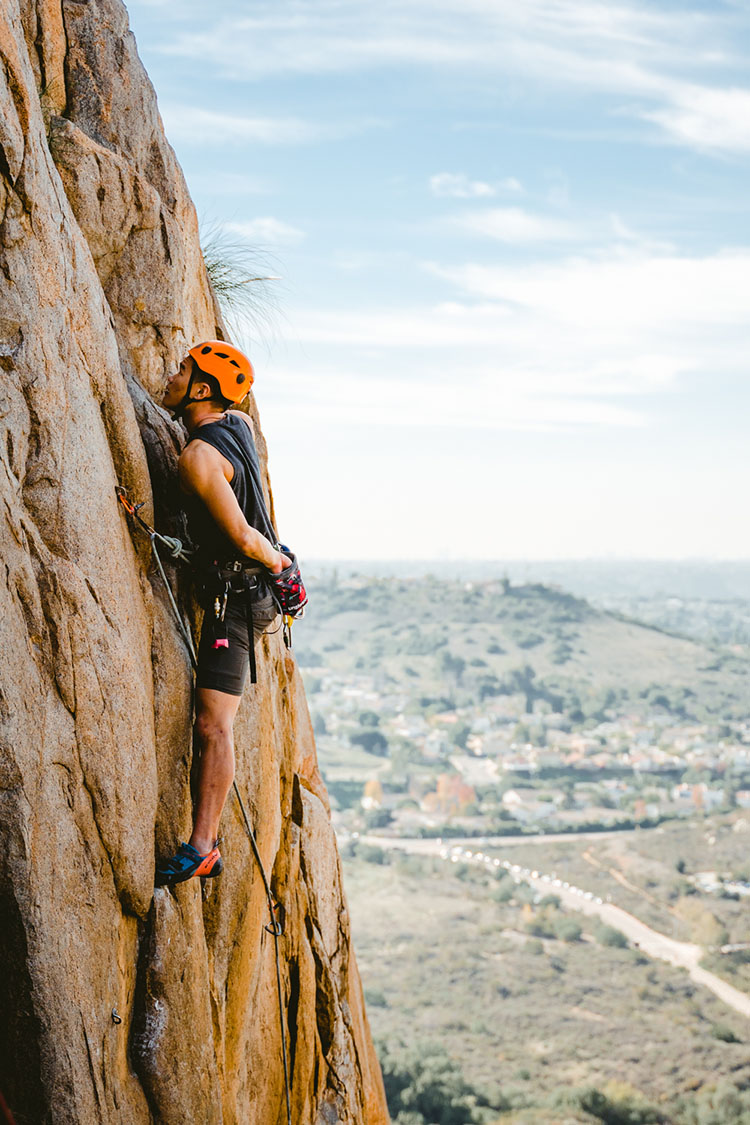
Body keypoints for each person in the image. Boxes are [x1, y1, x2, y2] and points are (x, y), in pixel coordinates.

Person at [155, 341, 290, 887]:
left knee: (214, 724)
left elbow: (239, 533)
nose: (172, 372)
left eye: (184, 369)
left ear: (202, 390)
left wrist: (279, 563)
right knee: (216, 722)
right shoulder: (236, 425)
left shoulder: (199, 457)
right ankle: (205, 844)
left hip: (236, 599)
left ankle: (203, 846)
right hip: (242, 590)